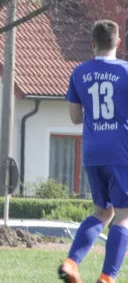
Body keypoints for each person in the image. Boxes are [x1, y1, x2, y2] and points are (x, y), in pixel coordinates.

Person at [59, 20, 128, 283]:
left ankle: (71, 262)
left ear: (92, 43)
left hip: (92, 151)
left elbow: (75, 117)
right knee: (123, 215)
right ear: (118, 43)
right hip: (122, 151)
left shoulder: (79, 72)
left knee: (102, 211)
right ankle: (107, 278)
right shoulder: (126, 71)